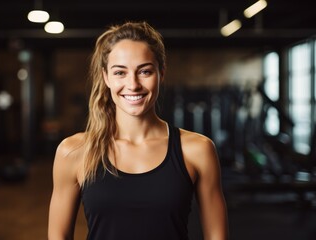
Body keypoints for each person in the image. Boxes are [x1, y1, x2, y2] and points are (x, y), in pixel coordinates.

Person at [48, 21, 228, 240]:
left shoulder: (197, 150)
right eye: (120, 73)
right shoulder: (74, 151)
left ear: (161, 72)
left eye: (144, 71)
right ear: (106, 77)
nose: (133, 85)